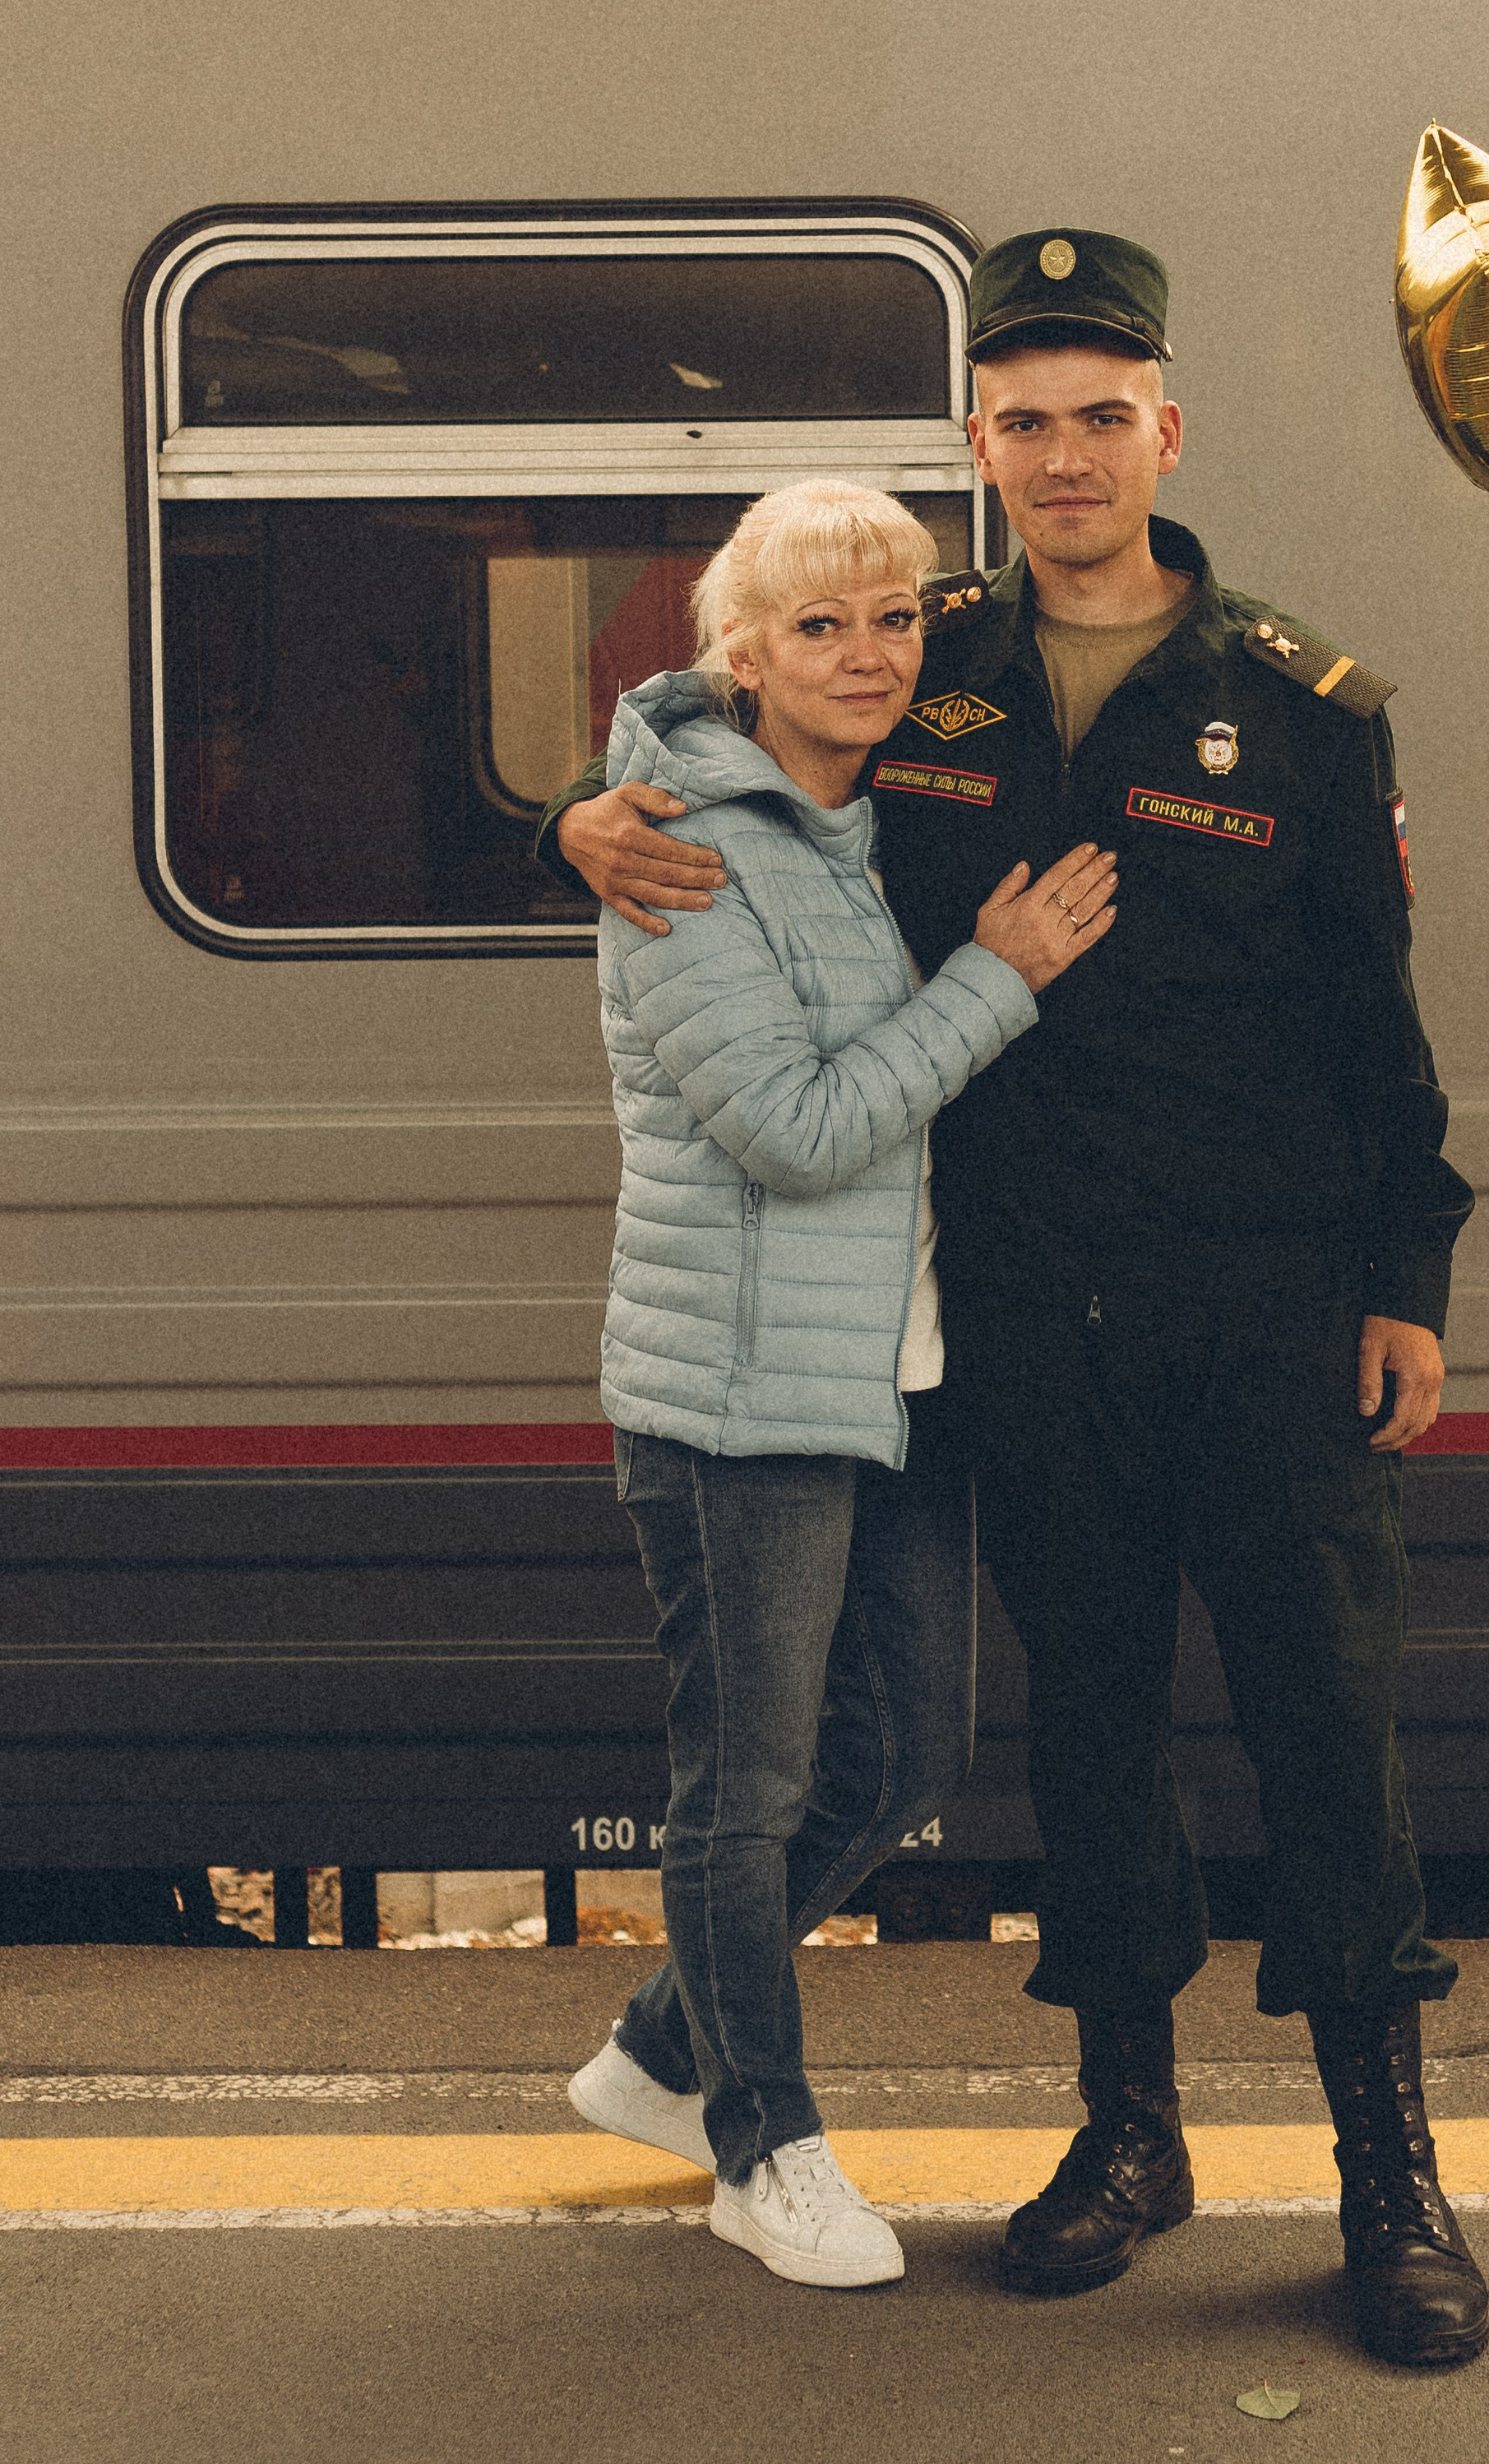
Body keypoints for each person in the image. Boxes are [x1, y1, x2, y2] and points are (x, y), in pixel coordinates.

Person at [545, 235, 1487, 2369]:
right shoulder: (922, 658)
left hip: (1261, 1313)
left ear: (1167, 427)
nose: (1065, 454)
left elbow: (1375, 1027)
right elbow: (706, 727)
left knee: (1329, 1739)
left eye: (1103, 411)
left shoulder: (1302, 702)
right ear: (983, 445)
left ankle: (1387, 2177)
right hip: (1023, 1321)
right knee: (1088, 1739)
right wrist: (572, 826)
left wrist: (1402, 1279)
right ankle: (1128, 2139)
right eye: (1025, 418)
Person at [564, 475, 1116, 2293]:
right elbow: (797, 1133)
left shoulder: (865, 819)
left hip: (892, 1374)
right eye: (820, 625)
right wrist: (998, 978)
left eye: (893, 619)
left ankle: (657, 2054)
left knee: (902, 1753)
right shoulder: (676, 852)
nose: (867, 653)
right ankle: (761, 2147)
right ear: (740, 654)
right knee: (748, 1781)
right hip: (736, 1399)